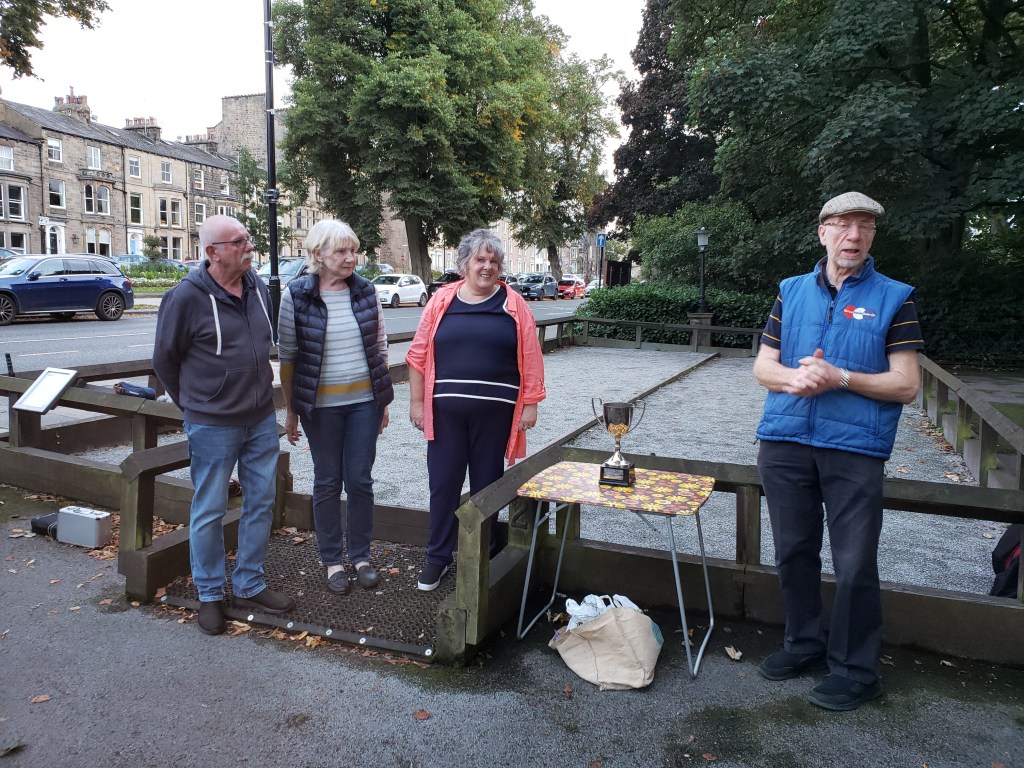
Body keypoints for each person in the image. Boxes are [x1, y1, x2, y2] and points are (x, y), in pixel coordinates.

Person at [753, 192, 925, 711]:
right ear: (823, 232)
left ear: (872, 236)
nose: (854, 235)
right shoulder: (790, 290)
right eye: (845, 225)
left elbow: (906, 384)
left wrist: (839, 377)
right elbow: (763, 367)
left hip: (855, 448)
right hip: (785, 440)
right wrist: (796, 378)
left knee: (854, 563)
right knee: (793, 552)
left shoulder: (895, 297)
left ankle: (855, 670)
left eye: (865, 227)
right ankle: (803, 644)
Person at [153, 215, 295, 636]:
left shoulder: (256, 288)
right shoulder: (185, 298)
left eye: (248, 239)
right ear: (213, 252)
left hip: (259, 417)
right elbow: (165, 360)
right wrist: (196, 404)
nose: (249, 247)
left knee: (261, 500)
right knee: (210, 508)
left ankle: (249, 584)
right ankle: (210, 593)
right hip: (212, 424)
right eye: (239, 242)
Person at [406, 229, 546, 591]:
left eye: (493, 261)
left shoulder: (514, 304)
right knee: (443, 484)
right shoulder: (442, 300)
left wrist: (530, 403)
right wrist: (417, 403)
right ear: (464, 264)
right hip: (446, 414)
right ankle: (438, 557)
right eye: (479, 260)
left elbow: (531, 357)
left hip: (496, 416)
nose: (486, 267)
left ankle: (484, 554)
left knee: (487, 486)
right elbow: (417, 355)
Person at [277, 220, 394, 595]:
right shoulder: (296, 295)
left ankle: (361, 557)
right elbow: (288, 358)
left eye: (353, 250)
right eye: (341, 251)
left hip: (364, 403)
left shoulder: (366, 291)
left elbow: (379, 347)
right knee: (328, 480)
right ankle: (332, 561)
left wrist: (383, 401)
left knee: (359, 479)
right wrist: (291, 410)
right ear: (318, 254)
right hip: (321, 407)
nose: (350, 258)